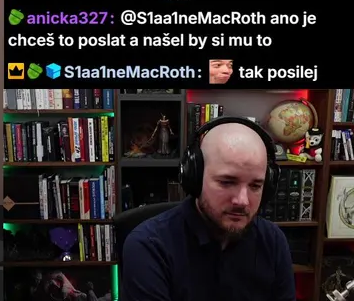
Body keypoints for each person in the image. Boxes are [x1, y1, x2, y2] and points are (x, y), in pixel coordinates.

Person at [120, 120, 294, 300]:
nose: (242, 201)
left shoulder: (272, 241)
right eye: (227, 182)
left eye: (255, 186)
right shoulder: (149, 246)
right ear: (195, 178)